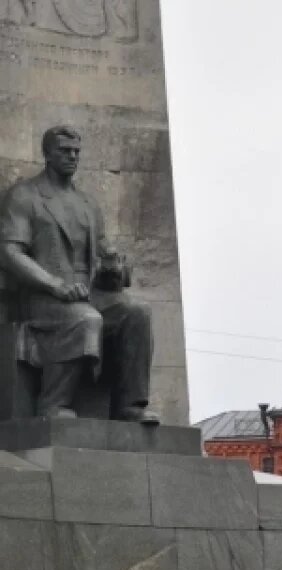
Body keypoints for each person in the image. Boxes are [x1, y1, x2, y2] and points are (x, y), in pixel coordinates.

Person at [0, 125, 157, 423]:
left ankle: (129, 405)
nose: (72, 157)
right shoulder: (25, 196)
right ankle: (52, 404)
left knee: (137, 312)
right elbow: (10, 253)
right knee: (86, 319)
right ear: (47, 154)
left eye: (76, 152)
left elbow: (103, 251)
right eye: (64, 151)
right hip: (43, 296)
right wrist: (55, 285)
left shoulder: (87, 204)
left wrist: (115, 269)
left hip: (88, 294)